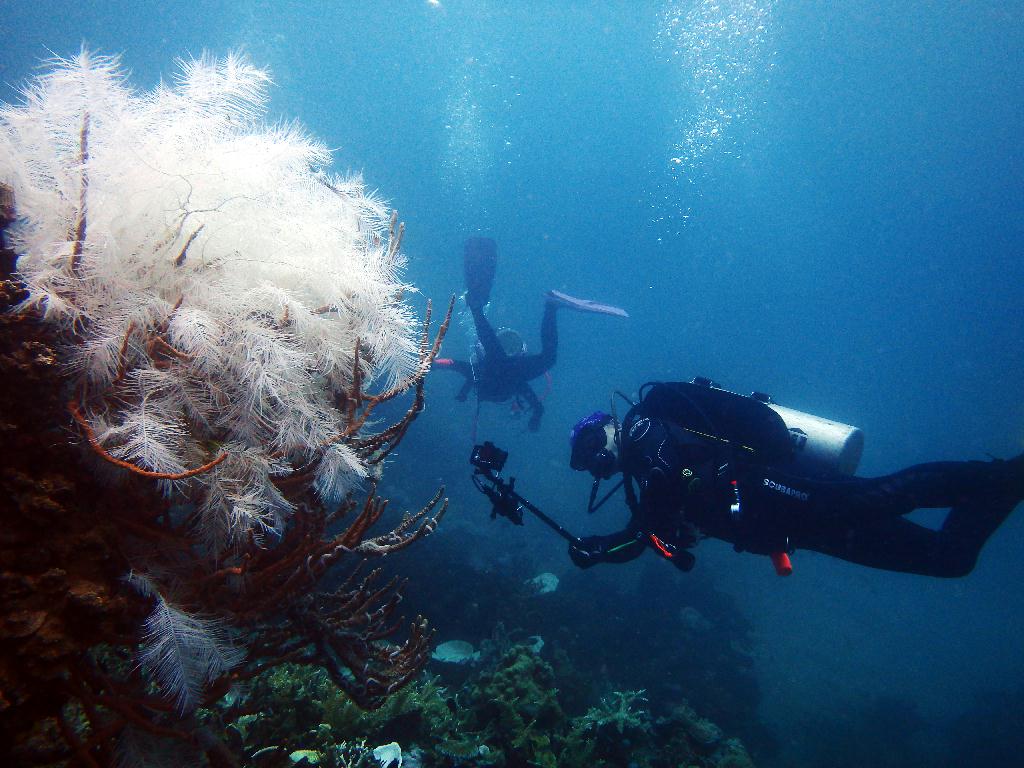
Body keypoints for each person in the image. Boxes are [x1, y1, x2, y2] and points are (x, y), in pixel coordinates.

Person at [566, 378, 1024, 577]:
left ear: (610, 424)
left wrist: (620, 540)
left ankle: (1002, 475)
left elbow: (656, 502)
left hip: (772, 489)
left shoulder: (643, 427)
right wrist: (603, 548)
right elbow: (647, 532)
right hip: (789, 530)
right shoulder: (644, 473)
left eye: (590, 443)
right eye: (583, 462)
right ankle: (1010, 481)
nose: (591, 459)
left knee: (877, 497)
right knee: (948, 560)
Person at [435, 237, 627, 431]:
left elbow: (451, 364)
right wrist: (536, 416)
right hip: (510, 368)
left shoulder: (477, 375)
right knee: (541, 358)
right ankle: (549, 306)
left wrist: (431, 364)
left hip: (497, 364)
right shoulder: (515, 385)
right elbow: (451, 364)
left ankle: (487, 308)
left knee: (515, 355)